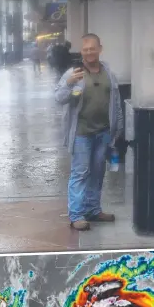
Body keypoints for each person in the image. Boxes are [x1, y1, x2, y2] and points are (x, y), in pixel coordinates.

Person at [55, 34, 124, 231]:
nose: (89, 52)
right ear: (81, 51)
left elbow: (116, 103)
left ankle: (93, 209)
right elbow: (59, 98)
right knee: (80, 173)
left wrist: (117, 129)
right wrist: (69, 83)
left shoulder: (108, 73)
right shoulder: (74, 72)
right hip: (81, 134)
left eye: (92, 48)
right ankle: (76, 215)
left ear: (100, 49)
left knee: (98, 172)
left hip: (103, 133)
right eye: (85, 49)